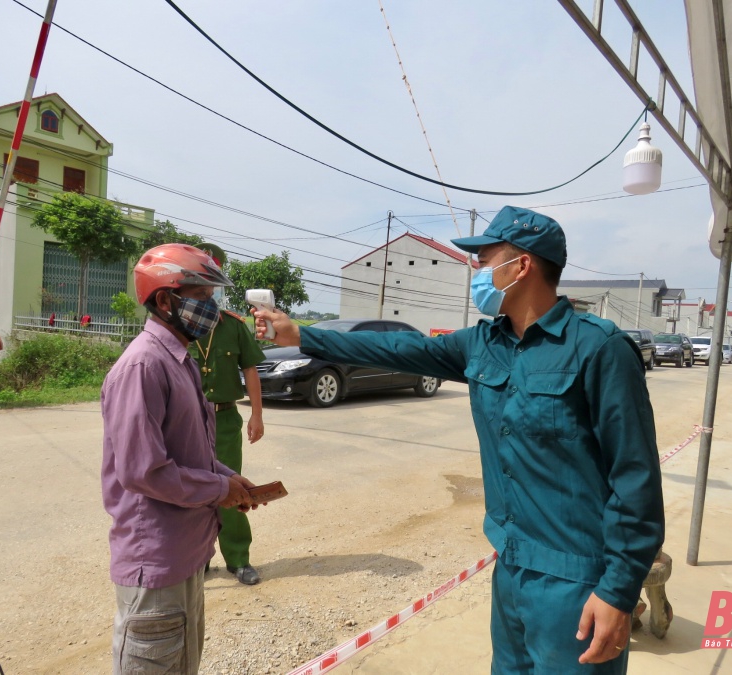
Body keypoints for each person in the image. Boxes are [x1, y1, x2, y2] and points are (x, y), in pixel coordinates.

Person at [253, 206, 665, 674]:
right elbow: (400, 349)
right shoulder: (483, 344)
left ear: (522, 265)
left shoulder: (598, 348)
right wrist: (302, 335)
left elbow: (635, 480)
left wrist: (618, 589)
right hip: (510, 566)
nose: (477, 270)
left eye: (485, 259)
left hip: (576, 578)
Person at [101, 243, 260, 674]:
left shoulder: (180, 360)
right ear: (166, 300)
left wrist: (231, 480)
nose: (211, 309)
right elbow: (144, 470)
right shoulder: (143, 366)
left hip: (186, 552)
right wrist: (219, 489)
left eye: (213, 298)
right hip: (156, 559)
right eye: (201, 297)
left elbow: (193, 450)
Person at [193, 243, 267, 586]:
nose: (208, 292)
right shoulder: (180, 327)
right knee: (190, 491)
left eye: (213, 285)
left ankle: (238, 559)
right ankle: (197, 559)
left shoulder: (233, 326)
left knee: (231, 487)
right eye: (200, 285)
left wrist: (257, 415)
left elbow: (250, 370)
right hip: (187, 420)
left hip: (224, 419)